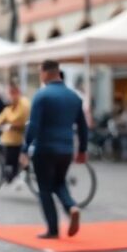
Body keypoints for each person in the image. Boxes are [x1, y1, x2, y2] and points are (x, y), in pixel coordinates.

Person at [24, 60, 89, 240]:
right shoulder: (74, 97)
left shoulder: (42, 96)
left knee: (45, 188)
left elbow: (34, 125)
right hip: (66, 149)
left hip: (44, 149)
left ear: (46, 73)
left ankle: (53, 229)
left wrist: (24, 148)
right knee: (59, 182)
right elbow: (83, 127)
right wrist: (82, 149)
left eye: (40, 72)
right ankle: (71, 206)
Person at [0, 81, 29, 184]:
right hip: (12, 138)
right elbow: (4, 115)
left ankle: (14, 175)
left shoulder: (23, 103)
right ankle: (13, 174)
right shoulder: (13, 105)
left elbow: (16, 118)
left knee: (12, 159)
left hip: (17, 138)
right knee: (9, 157)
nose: (8, 96)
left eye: (10, 93)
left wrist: (8, 124)